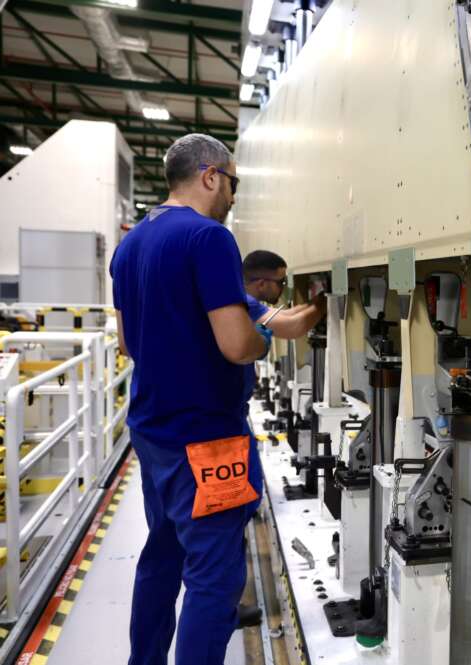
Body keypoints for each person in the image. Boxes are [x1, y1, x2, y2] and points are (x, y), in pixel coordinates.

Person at [110, 133, 269, 665]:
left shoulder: (130, 244)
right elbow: (236, 343)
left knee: (163, 554)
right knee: (215, 579)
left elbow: (128, 343)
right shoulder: (209, 238)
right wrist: (263, 338)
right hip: (207, 440)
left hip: (153, 430)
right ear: (209, 175)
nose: (232, 195)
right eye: (232, 183)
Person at [240, 249, 327, 413]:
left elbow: (285, 315)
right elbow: (294, 327)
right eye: (281, 282)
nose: (283, 287)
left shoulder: (246, 299)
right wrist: (324, 303)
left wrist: (316, 302)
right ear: (262, 284)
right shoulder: (246, 302)